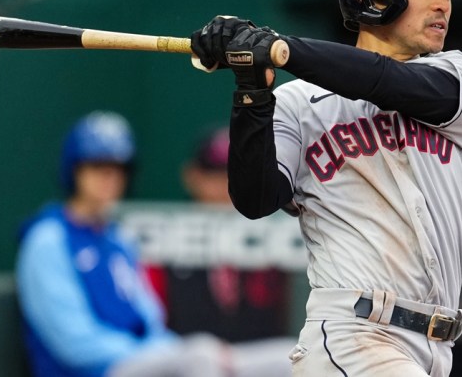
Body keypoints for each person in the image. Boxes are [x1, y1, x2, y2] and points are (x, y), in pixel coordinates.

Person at [190, 0, 462, 376]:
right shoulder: (299, 103)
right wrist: (252, 89)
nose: (442, 3)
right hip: (352, 334)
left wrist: (280, 47)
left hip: (433, 347)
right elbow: (255, 199)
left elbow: (384, 81)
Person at [15, 110, 294, 377]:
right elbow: (74, 342)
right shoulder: (48, 238)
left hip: (145, 360)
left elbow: (150, 320)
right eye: (97, 166)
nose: (109, 178)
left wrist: (176, 351)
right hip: (94, 370)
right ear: (74, 170)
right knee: (200, 357)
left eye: (118, 168)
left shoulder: (116, 238)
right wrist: (162, 353)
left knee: (290, 357)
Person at [160, 126, 291, 341]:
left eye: (234, 174)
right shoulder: (164, 237)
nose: (225, 186)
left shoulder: (272, 236)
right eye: (215, 175)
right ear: (192, 176)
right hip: (188, 357)